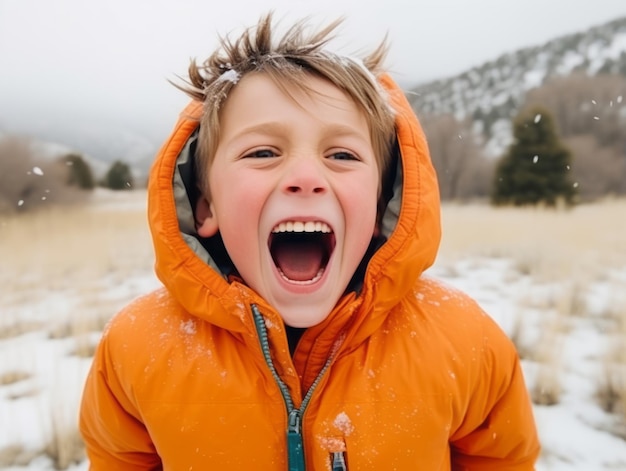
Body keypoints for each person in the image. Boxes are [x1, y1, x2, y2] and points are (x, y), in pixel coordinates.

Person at [79, 13, 540, 470]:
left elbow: (503, 460)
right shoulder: (136, 348)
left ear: (382, 206)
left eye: (342, 154)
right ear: (206, 206)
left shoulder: (465, 343)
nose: (305, 178)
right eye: (262, 152)